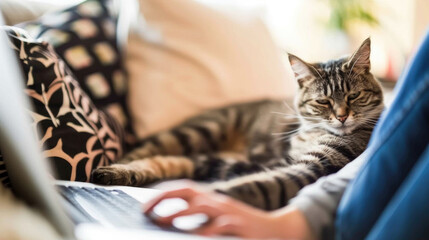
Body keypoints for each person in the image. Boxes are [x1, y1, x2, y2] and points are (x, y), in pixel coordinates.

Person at [143, 29, 429, 240]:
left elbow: (309, 173)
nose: (342, 114)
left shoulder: (365, 132)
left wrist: (218, 195)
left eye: (353, 98)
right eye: (325, 103)